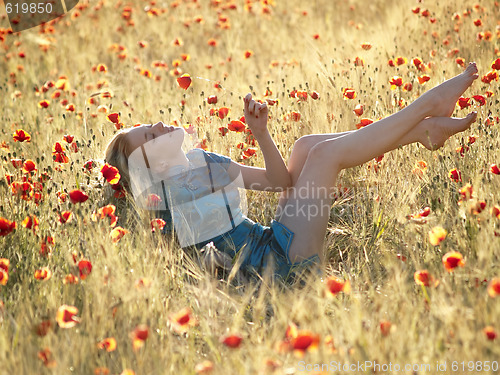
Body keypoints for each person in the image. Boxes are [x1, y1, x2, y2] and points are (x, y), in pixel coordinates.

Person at [103, 62, 479, 284]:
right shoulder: (162, 206)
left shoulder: (204, 162)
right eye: (150, 135)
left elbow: (278, 182)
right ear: (151, 169)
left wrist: (261, 133)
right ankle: (428, 106)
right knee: (325, 156)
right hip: (279, 271)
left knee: (305, 147)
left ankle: (421, 131)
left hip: (274, 241)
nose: (157, 123)